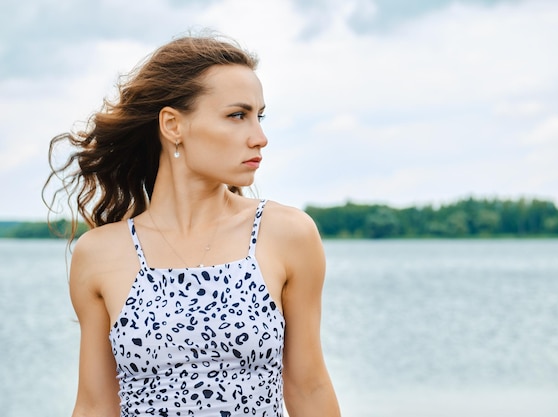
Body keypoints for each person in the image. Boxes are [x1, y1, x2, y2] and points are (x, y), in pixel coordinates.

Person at [44, 33, 341, 417]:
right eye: (238, 115)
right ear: (172, 126)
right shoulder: (100, 254)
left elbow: (309, 388)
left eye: (259, 116)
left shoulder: (287, 234)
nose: (260, 137)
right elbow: (95, 405)